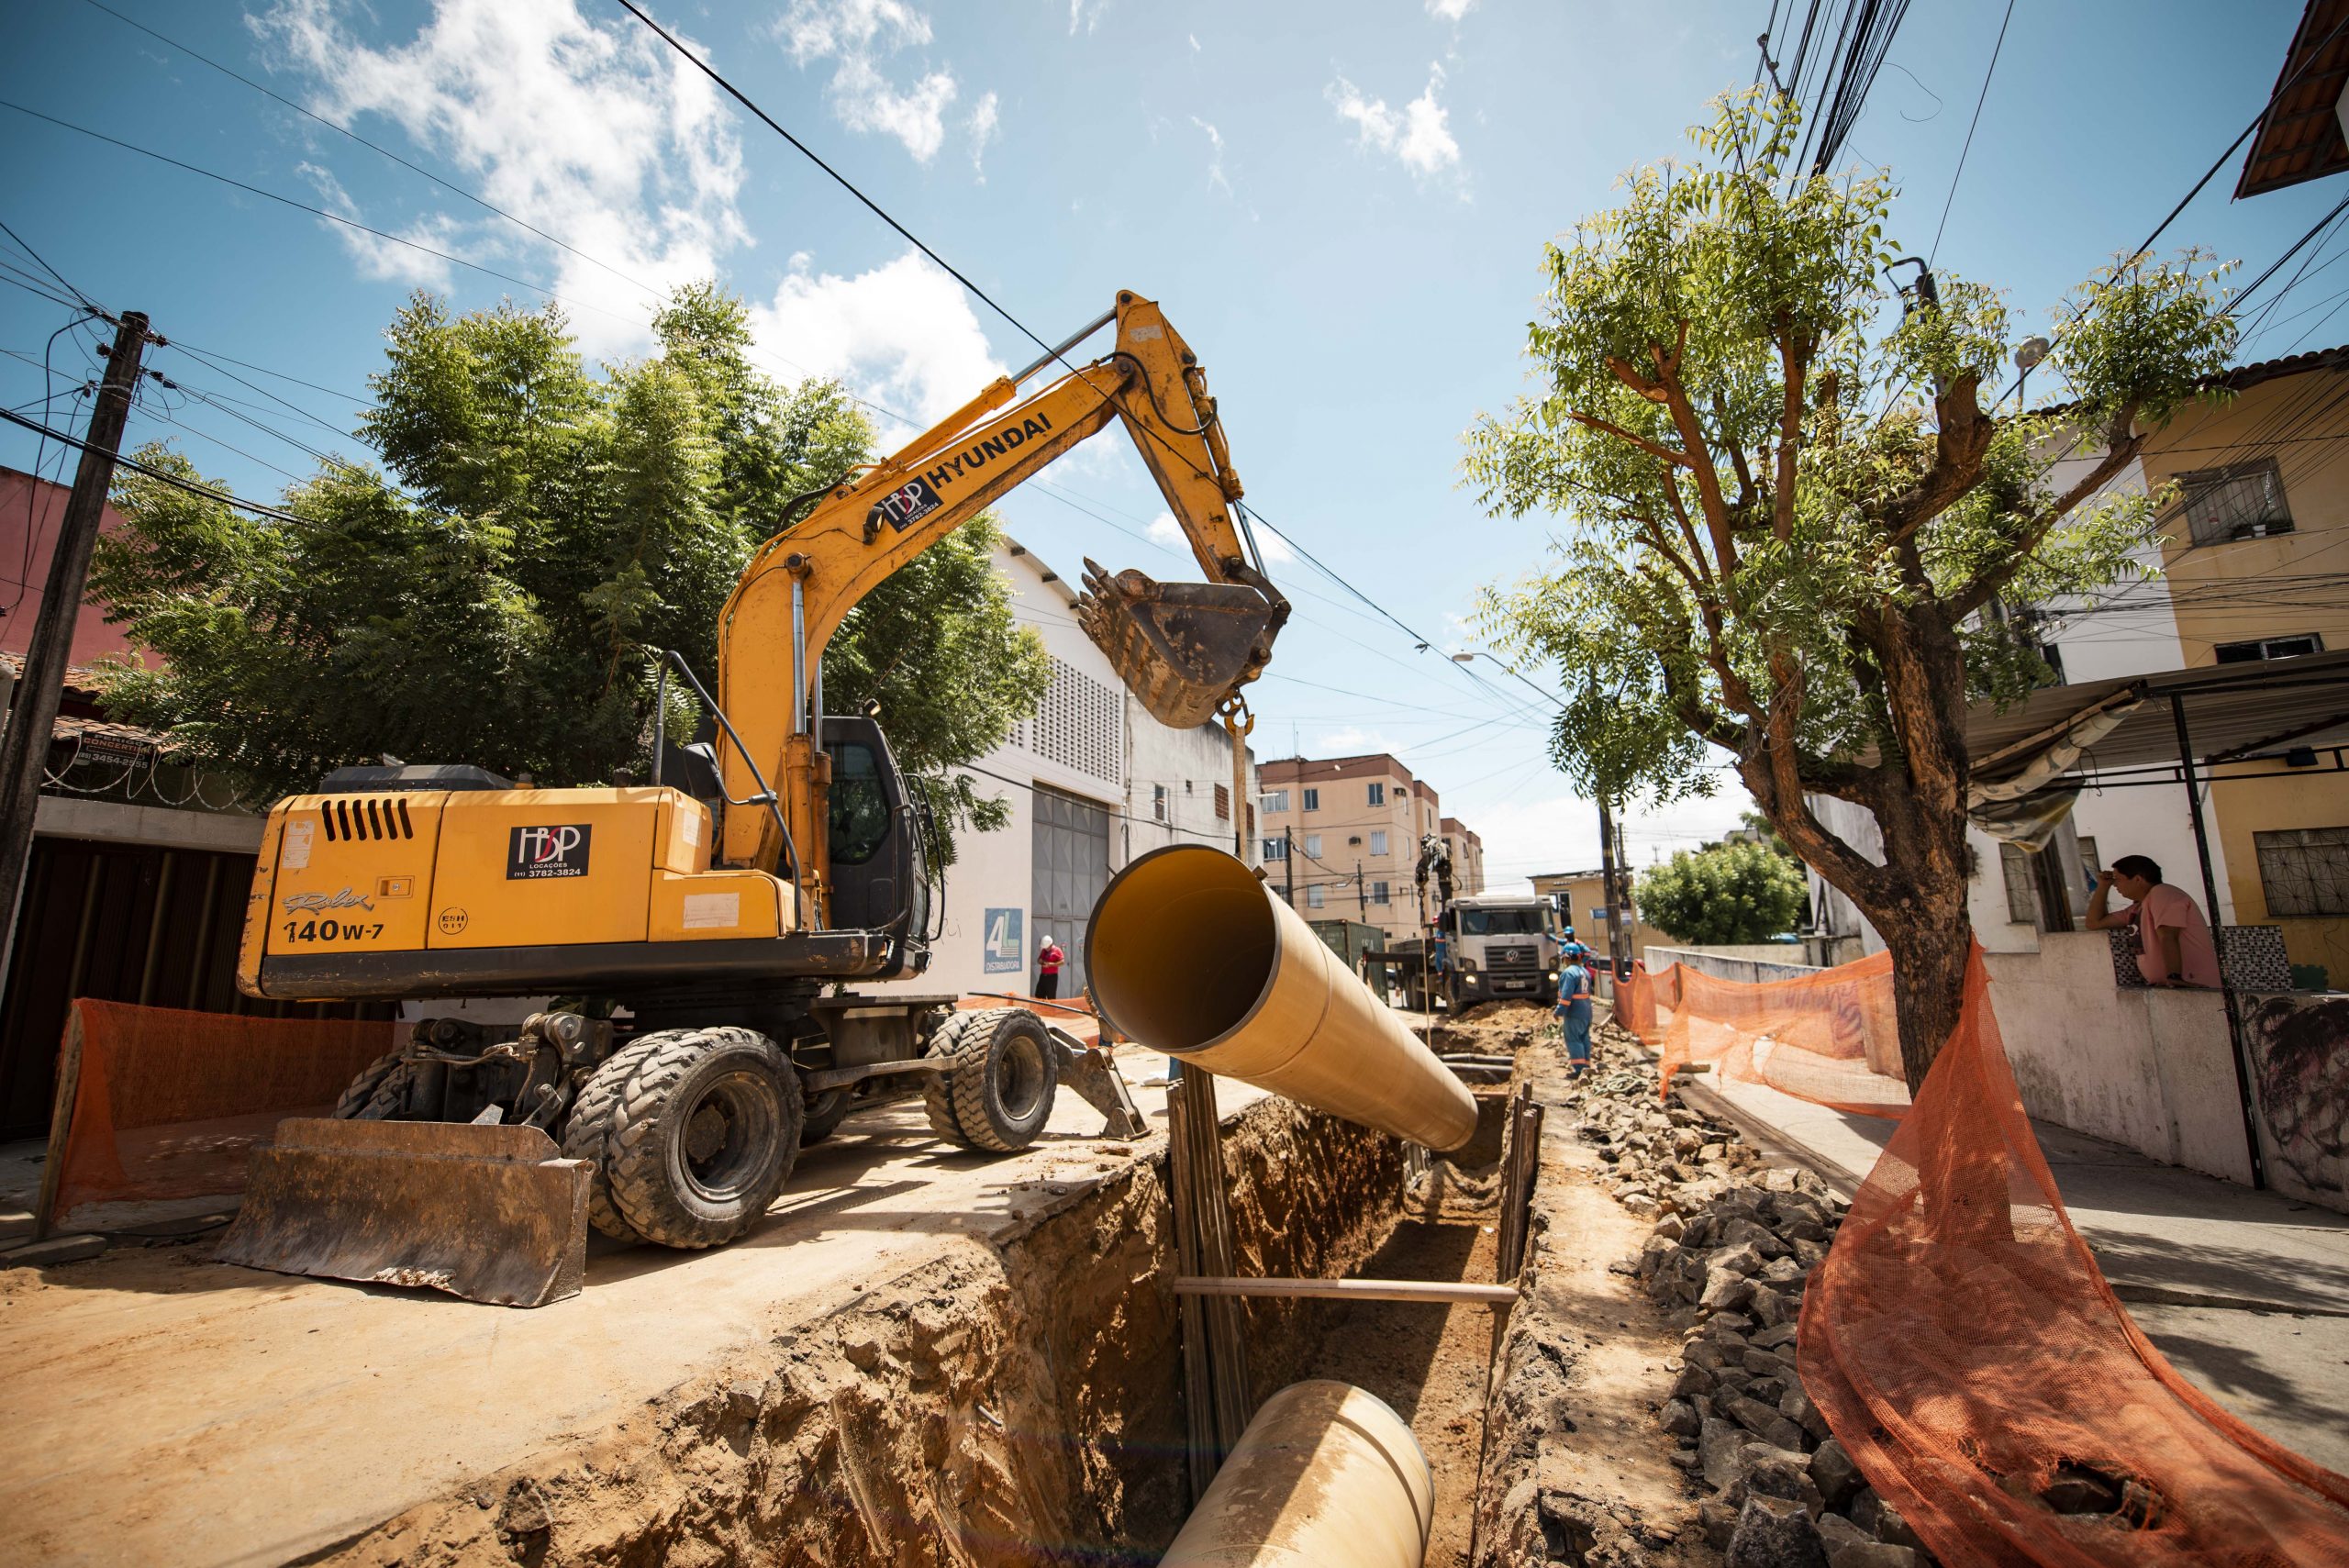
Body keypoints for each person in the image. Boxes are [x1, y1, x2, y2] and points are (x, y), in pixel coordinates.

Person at [2084, 854, 2221, 989]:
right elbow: (2094, 923)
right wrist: (2103, 886)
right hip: (2170, 987)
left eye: (2118, 879)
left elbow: (2168, 936)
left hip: (2191, 985)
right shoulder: (2138, 908)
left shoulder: (2163, 893)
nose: (2115, 885)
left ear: (2137, 879)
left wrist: (2174, 977)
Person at [1554, 954, 1595, 1072]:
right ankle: (1586, 1066)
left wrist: (1558, 1011)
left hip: (1574, 1012)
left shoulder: (1569, 973)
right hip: (1586, 1012)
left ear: (1566, 958)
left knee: (1574, 1040)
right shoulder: (1585, 972)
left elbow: (1566, 997)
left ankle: (1579, 1070)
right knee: (1584, 1038)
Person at [1036, 934, 1065, 1000]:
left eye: (1047, 947)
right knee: (1039, 995)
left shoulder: (1057, 950)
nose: (1045, 949)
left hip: (1052, 977)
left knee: (1051, 996)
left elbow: (1062, 961)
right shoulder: (1044, 951)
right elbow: (1039, 960)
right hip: (1043, 976)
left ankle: (1051, 1010)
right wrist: (1041, 962)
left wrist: (1051, 964)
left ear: (1050, 945)